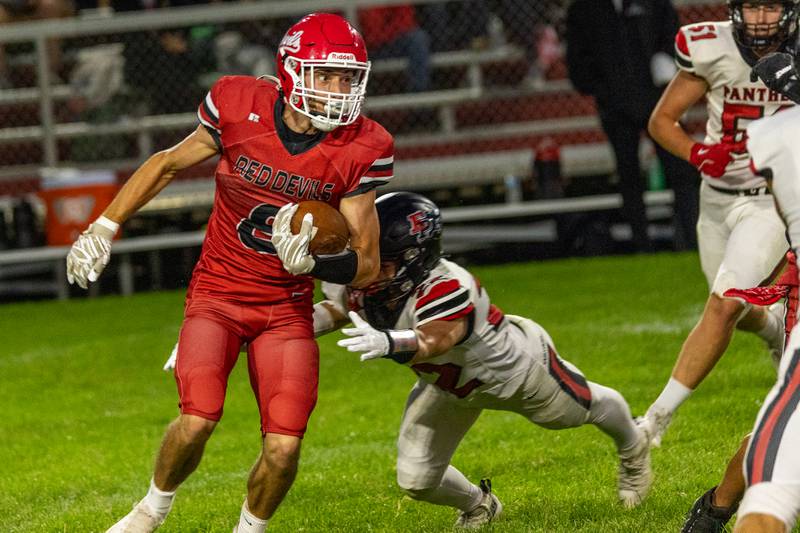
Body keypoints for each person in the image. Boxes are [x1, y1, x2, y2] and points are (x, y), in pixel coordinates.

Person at [65, 12, 393, 533]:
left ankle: (250, 529)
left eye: (348, 77)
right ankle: (151, 510)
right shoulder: (240, 104)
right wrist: (104, 225)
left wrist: (315, 262)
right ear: (290, 71)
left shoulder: (363, 145)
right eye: (325, 75)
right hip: (217, 294)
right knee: (197, 421)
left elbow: (368, 263)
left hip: (285, 309)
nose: (339, 90)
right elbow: (168, 162)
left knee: (284, 449)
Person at [313, 191, 653, 527]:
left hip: (514, 373)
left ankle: (634, 444)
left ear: (414, 257)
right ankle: (481, 505)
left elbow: (435, 339)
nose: (369, 270)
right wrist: (282, 327)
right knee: (416, 478)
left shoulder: (448, 285)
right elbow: (338, 307)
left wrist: (388, 341)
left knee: (584, 408)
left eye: (381, 260)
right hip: (448, 386)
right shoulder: (371, 279)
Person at [641, 0, 795, 451]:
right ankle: (772, 328)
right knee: (735, 312)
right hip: (715, 202)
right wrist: (697, 153)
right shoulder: (712, 46)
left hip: (771, 202)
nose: (760, 18)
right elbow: (661, 120)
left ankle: (653, 421)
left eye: (771, 7)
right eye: (751, 6)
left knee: (724, 303)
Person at [681, 44, 800, 533]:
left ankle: (717, 508)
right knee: (783, 436)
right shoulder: (779, 138)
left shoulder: (774, 137)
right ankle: (718, 506)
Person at [565, 0, 700, 253]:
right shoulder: (585, 9)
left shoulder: (654, 3)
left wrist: (666, 64)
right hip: (615, 106)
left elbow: (674, 37)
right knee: (628, 175)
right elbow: (577, 60)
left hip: (659, 102)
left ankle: (692, 240)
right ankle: (642, 246)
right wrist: (603, 89)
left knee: (680, 171)